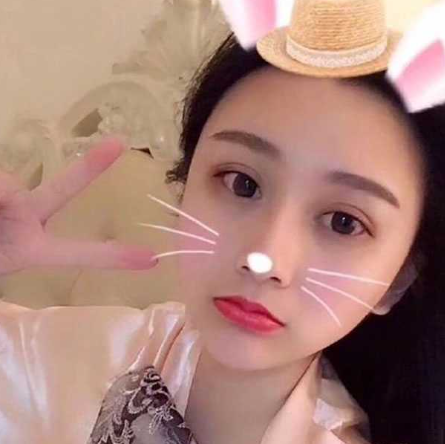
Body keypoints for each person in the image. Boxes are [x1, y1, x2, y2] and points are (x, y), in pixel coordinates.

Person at [0, 0, 444, 443]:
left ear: (398, 280)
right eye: (242, 184)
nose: (264, 259)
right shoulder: (100, 351)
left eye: (343, 222)